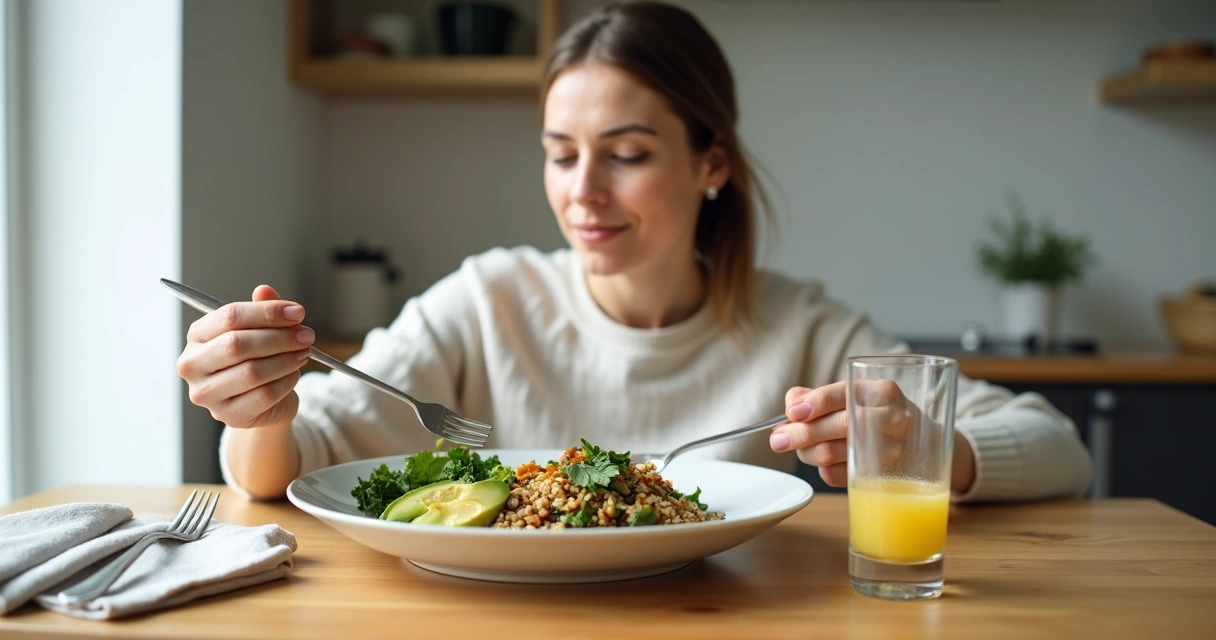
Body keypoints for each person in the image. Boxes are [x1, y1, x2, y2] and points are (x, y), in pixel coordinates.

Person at [176, 2, 1092, 502]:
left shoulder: (804, 330)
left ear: (712, 163)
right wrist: (257, 413)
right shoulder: (486, 302)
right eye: (561, 154)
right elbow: (300, 455)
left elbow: (1057, 445)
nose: (583, 192)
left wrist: (927, 447)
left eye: (627, 154)